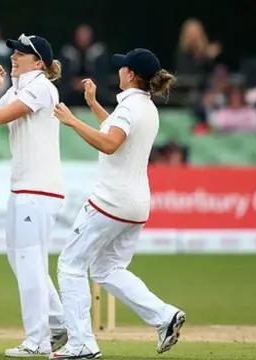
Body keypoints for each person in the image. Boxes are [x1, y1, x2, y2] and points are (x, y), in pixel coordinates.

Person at [51, 48, 185, 359]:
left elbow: (111, 143)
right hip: (136, 205)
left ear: (131, 75)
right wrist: (94, 105)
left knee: (70, 265)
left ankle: (81, 343)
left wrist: (71, 121)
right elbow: (116, 131)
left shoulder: (129, 108)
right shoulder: (146, 107)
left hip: (109, 202)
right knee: (107, 268)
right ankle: (164, 316)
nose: (119, 70)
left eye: (122, 67)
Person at [0, 33, 68, 357]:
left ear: (39, 62)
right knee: (19, 259)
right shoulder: (18, 88)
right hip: (23, 187)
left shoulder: (41, 87)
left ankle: (37, 340)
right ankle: (59, 323)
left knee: (30, 261)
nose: (14, 57)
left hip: (39, 188)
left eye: (21, 53)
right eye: (14, 51)